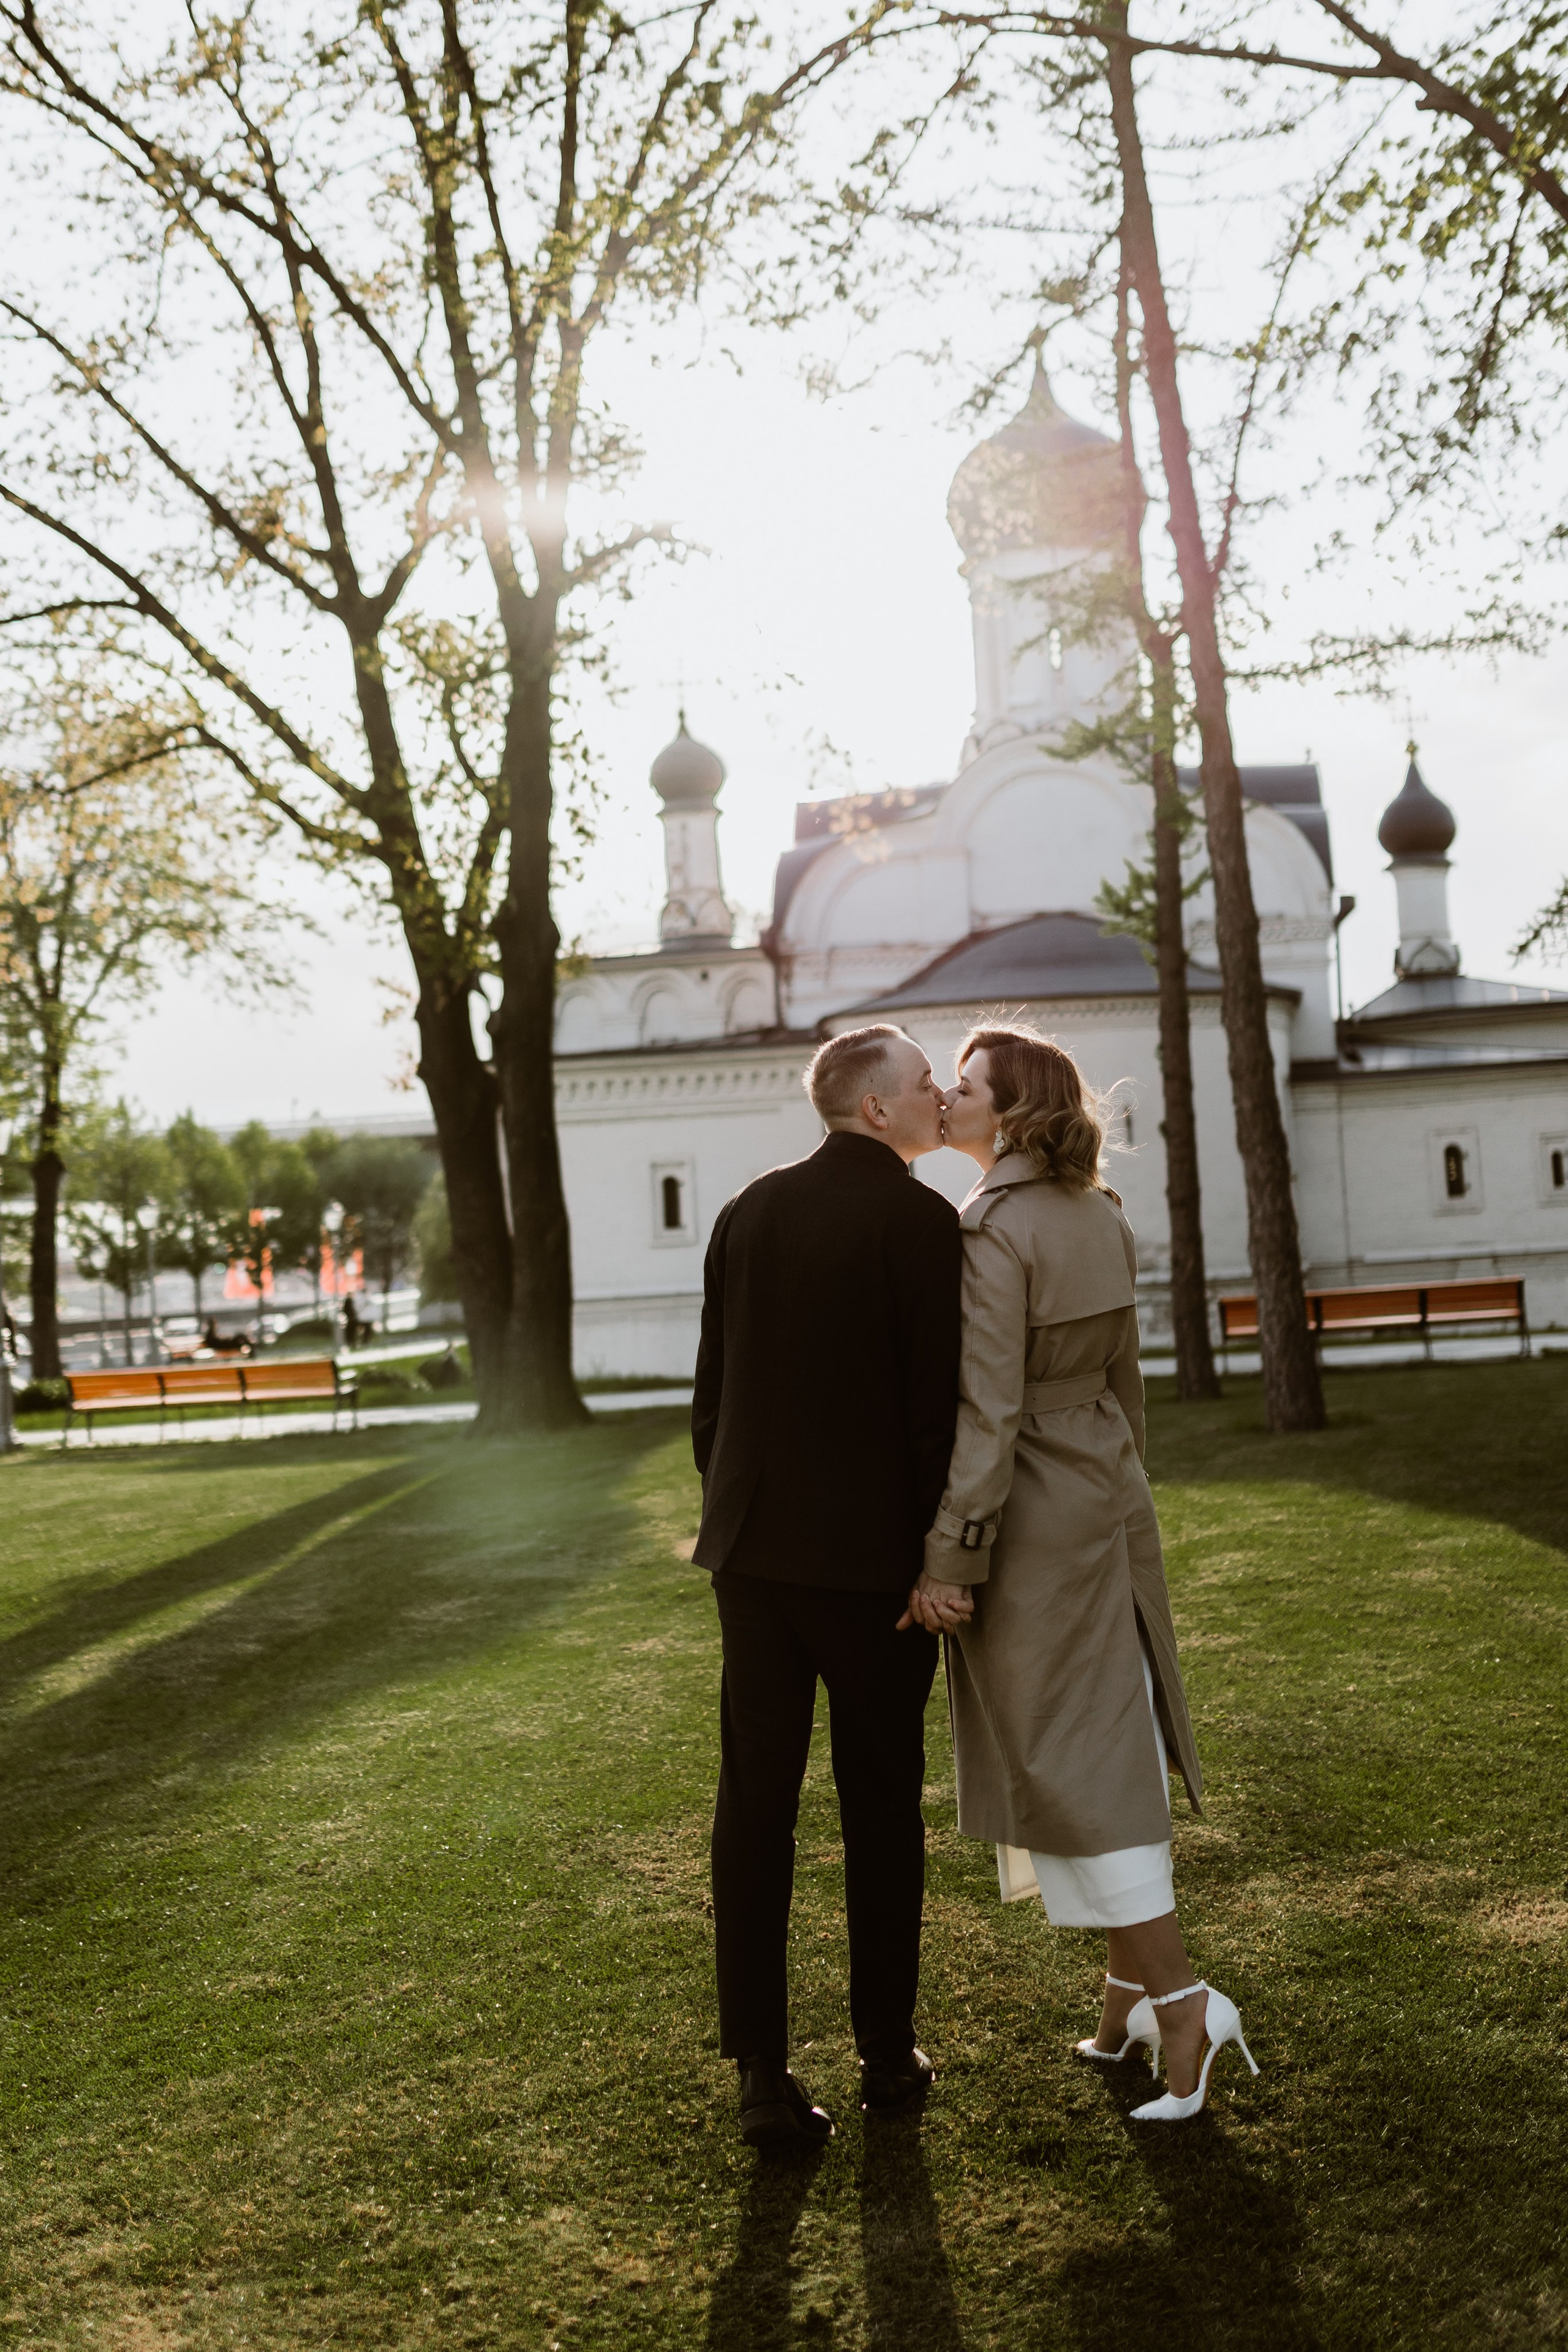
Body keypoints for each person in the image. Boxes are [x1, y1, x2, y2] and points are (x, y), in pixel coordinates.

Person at [908, 1024, 1259, 2124]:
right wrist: (1117, 1480)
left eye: (966, 1086)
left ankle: (1182, 2002)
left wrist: (952, 1553)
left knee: (1072, 1753)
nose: (947, 1097)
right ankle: (1126, 2003)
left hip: (1033, 1508)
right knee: (1109, 1731)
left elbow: (989, 1410)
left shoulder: (990, 1228)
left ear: (1011, 1115)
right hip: (1105, 1487)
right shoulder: (1100, 1212)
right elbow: (1125, 1382)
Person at [692, 1023, 963, 2152]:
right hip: (873, 1572)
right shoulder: (922, 1222)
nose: (943, 1094)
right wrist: (935, 1558)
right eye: (925, 1083)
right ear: (874, 1108)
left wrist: (737, 1512)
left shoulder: (746, 1210)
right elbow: (934, 1412)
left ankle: (761, 2070)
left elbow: (712, 1398)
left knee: (754, 1803)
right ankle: (886, 2055)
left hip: (752, 1557)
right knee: (880, 1807)